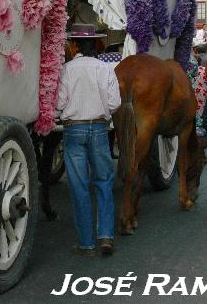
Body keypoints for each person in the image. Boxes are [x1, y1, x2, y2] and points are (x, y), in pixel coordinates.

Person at [56, 23, 121, 257]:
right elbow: (115, 103)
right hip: (100, 130)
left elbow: (59, 104)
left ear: (74, 45)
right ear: (95, 44)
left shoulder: (66, 70)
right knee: (103, 181)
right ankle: (105, 236)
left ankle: (85, 242)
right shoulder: (105, 69)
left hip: (74, 130)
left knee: (79, 186)